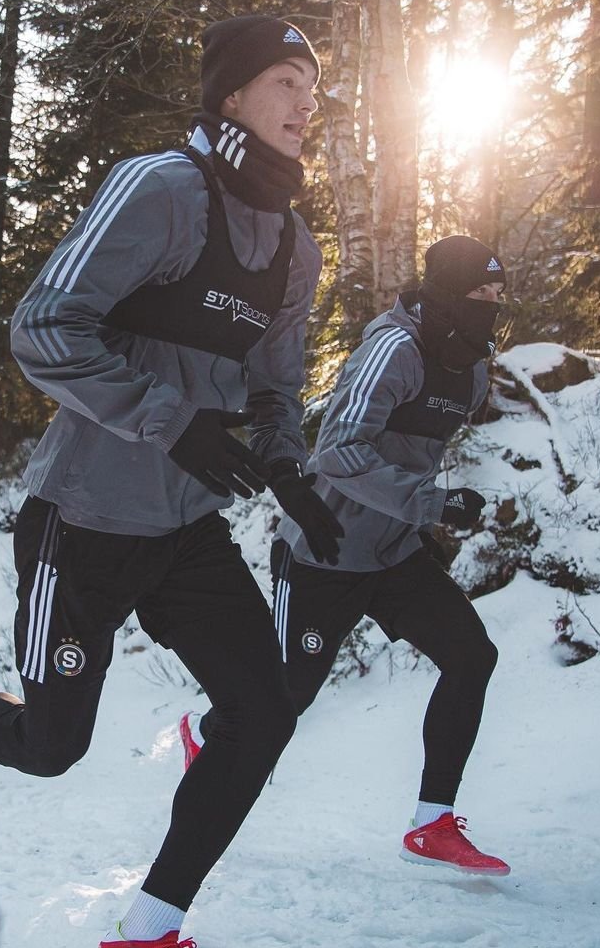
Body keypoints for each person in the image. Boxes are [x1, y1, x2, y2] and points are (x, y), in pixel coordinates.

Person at [0, 15, 342, 948]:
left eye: (313, 85)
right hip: (86, 520)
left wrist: (294, 474)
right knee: (54, 746)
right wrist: (170, 419)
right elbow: (41, 327)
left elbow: (276, 390)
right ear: (231, 95)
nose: (305, 99)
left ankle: (147, 932)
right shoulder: (161, 191)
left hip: (187, 529)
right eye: (286, 79)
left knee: (265, 710)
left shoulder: (294, 247)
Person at [183, 234, 511, 875]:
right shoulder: (394, 350)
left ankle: (432, 823)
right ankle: (206, 733)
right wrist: (429, 503)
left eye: (499, 295)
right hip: (324, 552)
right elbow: (334, 450)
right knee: (282, 702)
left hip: (393, 553)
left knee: (472, 657)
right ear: (447, 295)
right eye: (479, 294)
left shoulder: (472, 364)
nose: (491, 306)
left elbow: (426, 441)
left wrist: (431, 505)